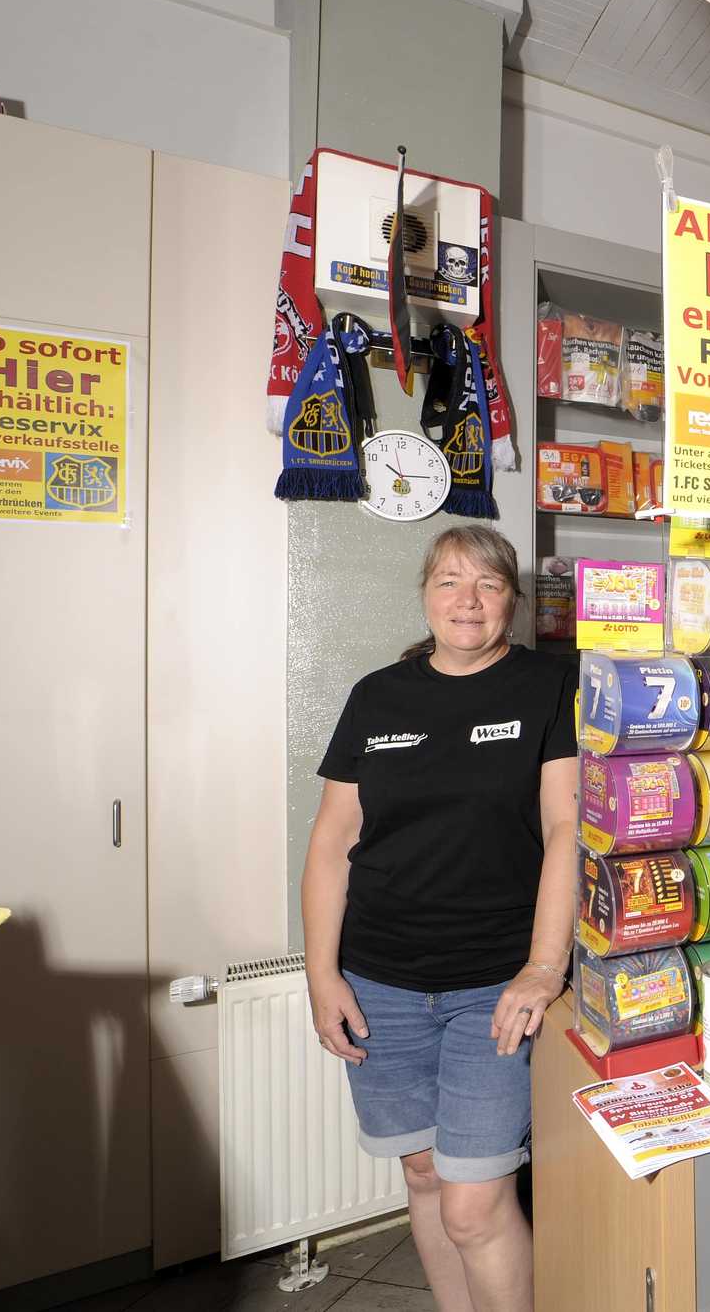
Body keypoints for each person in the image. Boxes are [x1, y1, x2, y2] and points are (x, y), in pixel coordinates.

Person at [303, 524, 578, 1312]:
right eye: (450, 581)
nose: (468, 600)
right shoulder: (376, 696)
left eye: (489, 584)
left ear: (512, 600)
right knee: (423, 1175)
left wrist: (544, 966)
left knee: (474, 1203)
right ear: (425, 594)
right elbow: (332, 842)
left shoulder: (550, 685)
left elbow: (566, 826)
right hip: (379, 983)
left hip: (494, 986)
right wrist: (321, 976)